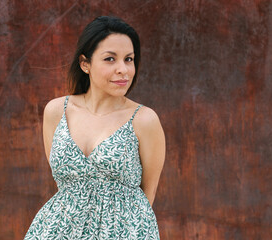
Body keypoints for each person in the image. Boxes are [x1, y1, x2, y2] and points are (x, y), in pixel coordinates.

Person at [24, 16, 166, 239]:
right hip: (57, 230)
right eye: (110, 59)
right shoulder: (56, 111)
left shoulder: (144, 120)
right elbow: (64, 184)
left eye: (129, 59)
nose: (123, 69)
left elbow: (147, 194)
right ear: (85, 64)